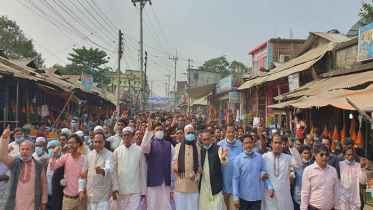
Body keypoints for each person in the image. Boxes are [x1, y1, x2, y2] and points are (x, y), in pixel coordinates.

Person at [0, 125, 48, 210]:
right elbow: (3, 157)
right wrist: (4, 139)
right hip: (15, 205)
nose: (24, 152)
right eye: (22, 149)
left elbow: (43, 185)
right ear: (19, 151)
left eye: (27, 149)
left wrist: (43, 202)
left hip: (32, 205)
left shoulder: (38, 165)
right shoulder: (14, 162)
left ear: (32, 151)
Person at [141, 117, 176, 210]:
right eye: (157, 130)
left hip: (165, 181)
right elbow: (143, 147)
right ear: (153, 132)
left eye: (161, 130)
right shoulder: (150, 144)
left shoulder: (169, 145)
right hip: (153, 181)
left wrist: (174, 165)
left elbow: (175, 159)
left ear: (164, 132)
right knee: (153, 205)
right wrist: (148, 130)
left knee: (165, 205)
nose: (159, 131)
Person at [233, 134, 274, 210]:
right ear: (243, 145)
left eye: (250, 143)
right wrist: (235, 197)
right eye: (246, 143)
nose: (248, 145)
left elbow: (264, 174)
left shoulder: (259, 157)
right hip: (243, 197)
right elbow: (235, 179)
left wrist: (269, 187)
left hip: (256, 197)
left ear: (253, 144)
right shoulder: (238, 159)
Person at [261, 134, 302, 210]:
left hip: (284, 196)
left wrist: (292, 148)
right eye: (275, 142)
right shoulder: (265, 157)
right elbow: (260, 171)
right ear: (271, 144)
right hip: (270, 195)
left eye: (280, 143)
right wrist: (262, 175)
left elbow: (298, 164)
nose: (278, 145)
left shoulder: (287, 157)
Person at [111, 127, 146, 210]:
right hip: (121, 189)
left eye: (128, 135)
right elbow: (113, 170)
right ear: (122, 137)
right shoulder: (117, 151)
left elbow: (142, 170)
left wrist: (143, 189)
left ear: (132, 137)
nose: (126, 137)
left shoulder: (139, 150)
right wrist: (114, 187)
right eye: (125, 135)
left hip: (135, 189)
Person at [50, 134, 87, 210]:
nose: (70, 145)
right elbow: (53, 167)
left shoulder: (85, 159)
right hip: (68, 199)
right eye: (69, 143)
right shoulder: (65, 158)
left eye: (73, 142)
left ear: (78, 144)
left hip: (81, 198)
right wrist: (54, 156)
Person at [79, 132, 114, 210]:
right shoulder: (89, 155)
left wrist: (103, 171)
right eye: (96, 142)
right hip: (90, 195)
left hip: (102, 196)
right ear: (93, 142)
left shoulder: (109, 154)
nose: (97, 144)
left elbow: (110, 167)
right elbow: (83, 173)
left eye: (100, 142)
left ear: (104, 142)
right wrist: (81, 190)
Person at [301, 144, 339, 210]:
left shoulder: (333, 170)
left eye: (326, 155)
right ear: (316, 156)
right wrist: (304, 208)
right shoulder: (308, 170)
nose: (324, 157)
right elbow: (305, 192)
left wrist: (337, 207)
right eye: (321, 155)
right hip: (314, 208)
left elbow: (336, 191)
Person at [173, 124, 201, 210]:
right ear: (184, 134)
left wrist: (196, 176)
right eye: (188, 133)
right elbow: (173, 161)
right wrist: (174, 165)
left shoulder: (198, 148)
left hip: (193, 186)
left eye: (192, 133)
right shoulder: (178, 147)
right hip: (180, 185)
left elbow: (200, 167)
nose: (190, 135)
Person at [199, 130, 228, 210]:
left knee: (216, 206)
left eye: (208, 139)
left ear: (211, 138)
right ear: (202, 140)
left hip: (215, 185)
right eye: (204, 140)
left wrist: (223, 158)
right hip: (204, 185)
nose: (207, 142)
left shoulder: (218, 148)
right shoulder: (200, 149)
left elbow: (223, 161)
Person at [217, 123, 244, 210]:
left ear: (235, 133)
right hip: (222, 185)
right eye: (229, 132)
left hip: (235, 187)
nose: (231, 134)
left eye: (233, 132)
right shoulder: (219, 145)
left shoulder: (241, 146)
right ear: (225, 133)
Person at [293, 145, 312, 210]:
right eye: (305, 153)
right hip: (298, 199)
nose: (307, 155)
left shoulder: (313, 167)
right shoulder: (296, 167)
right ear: (300, 154)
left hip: (310, 200)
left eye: (308, 153)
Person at [45, 140, 60, 210]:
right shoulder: (44, 162)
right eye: (49, 147)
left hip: (58, 197)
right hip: (46, 197)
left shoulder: (62, 161)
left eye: (53, 147)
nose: (51, 149)